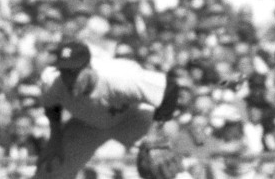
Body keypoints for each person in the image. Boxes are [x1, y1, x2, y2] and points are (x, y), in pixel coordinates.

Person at [34, 40, 183, 179]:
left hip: (131, 119)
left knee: (161, 163)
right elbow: (51, 105)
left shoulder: (119, 77)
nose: (68, 78)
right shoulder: (52, 81)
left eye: (73, 72)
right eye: (63, 71)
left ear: (88, 67)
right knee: (51, 168)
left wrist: (154, 134)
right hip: (87, 124)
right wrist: (55, 138)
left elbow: (169, 88)